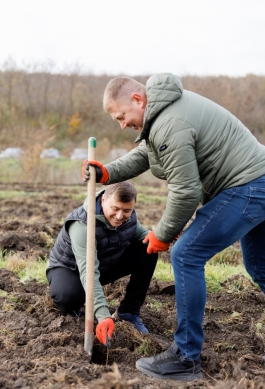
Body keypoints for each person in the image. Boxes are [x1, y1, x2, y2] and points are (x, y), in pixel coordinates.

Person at [82, 73, 265, 382]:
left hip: (247, 187)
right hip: (257, 182)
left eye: (121, 116)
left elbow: (186, 192)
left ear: (138, 101)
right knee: (260, 266)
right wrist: (107, 173)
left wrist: (163, 235)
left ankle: (185, 356)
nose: (122, 124)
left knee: (185, 254)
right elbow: (147, 154)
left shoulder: (169, 123)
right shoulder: (165, 113)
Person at [46, 181, 158, 347]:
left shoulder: (128, 218)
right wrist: (103, 315)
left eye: (127, 210)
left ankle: (128, 313)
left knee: (149, 248)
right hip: (71, 269)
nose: (120, 216)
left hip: (104, 264)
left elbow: (143, 235)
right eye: (115, 209)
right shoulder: (82, 225)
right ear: (103, 201)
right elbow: (88, 271)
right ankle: (75, 305)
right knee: (67, 297)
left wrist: (165, 235)